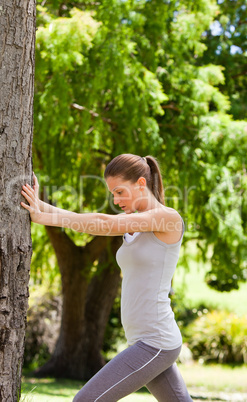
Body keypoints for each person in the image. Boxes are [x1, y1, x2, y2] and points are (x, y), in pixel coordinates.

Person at [21, 153, 192, 402]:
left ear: (141, 184)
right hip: (145, 340)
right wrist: (39, 205)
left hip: (156, 341)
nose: (115, 199)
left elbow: (102, 222)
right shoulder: (134, 223)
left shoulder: (168, 218)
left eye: (120, 192)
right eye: (113, 193)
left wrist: (45, 216)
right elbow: (96, 220)